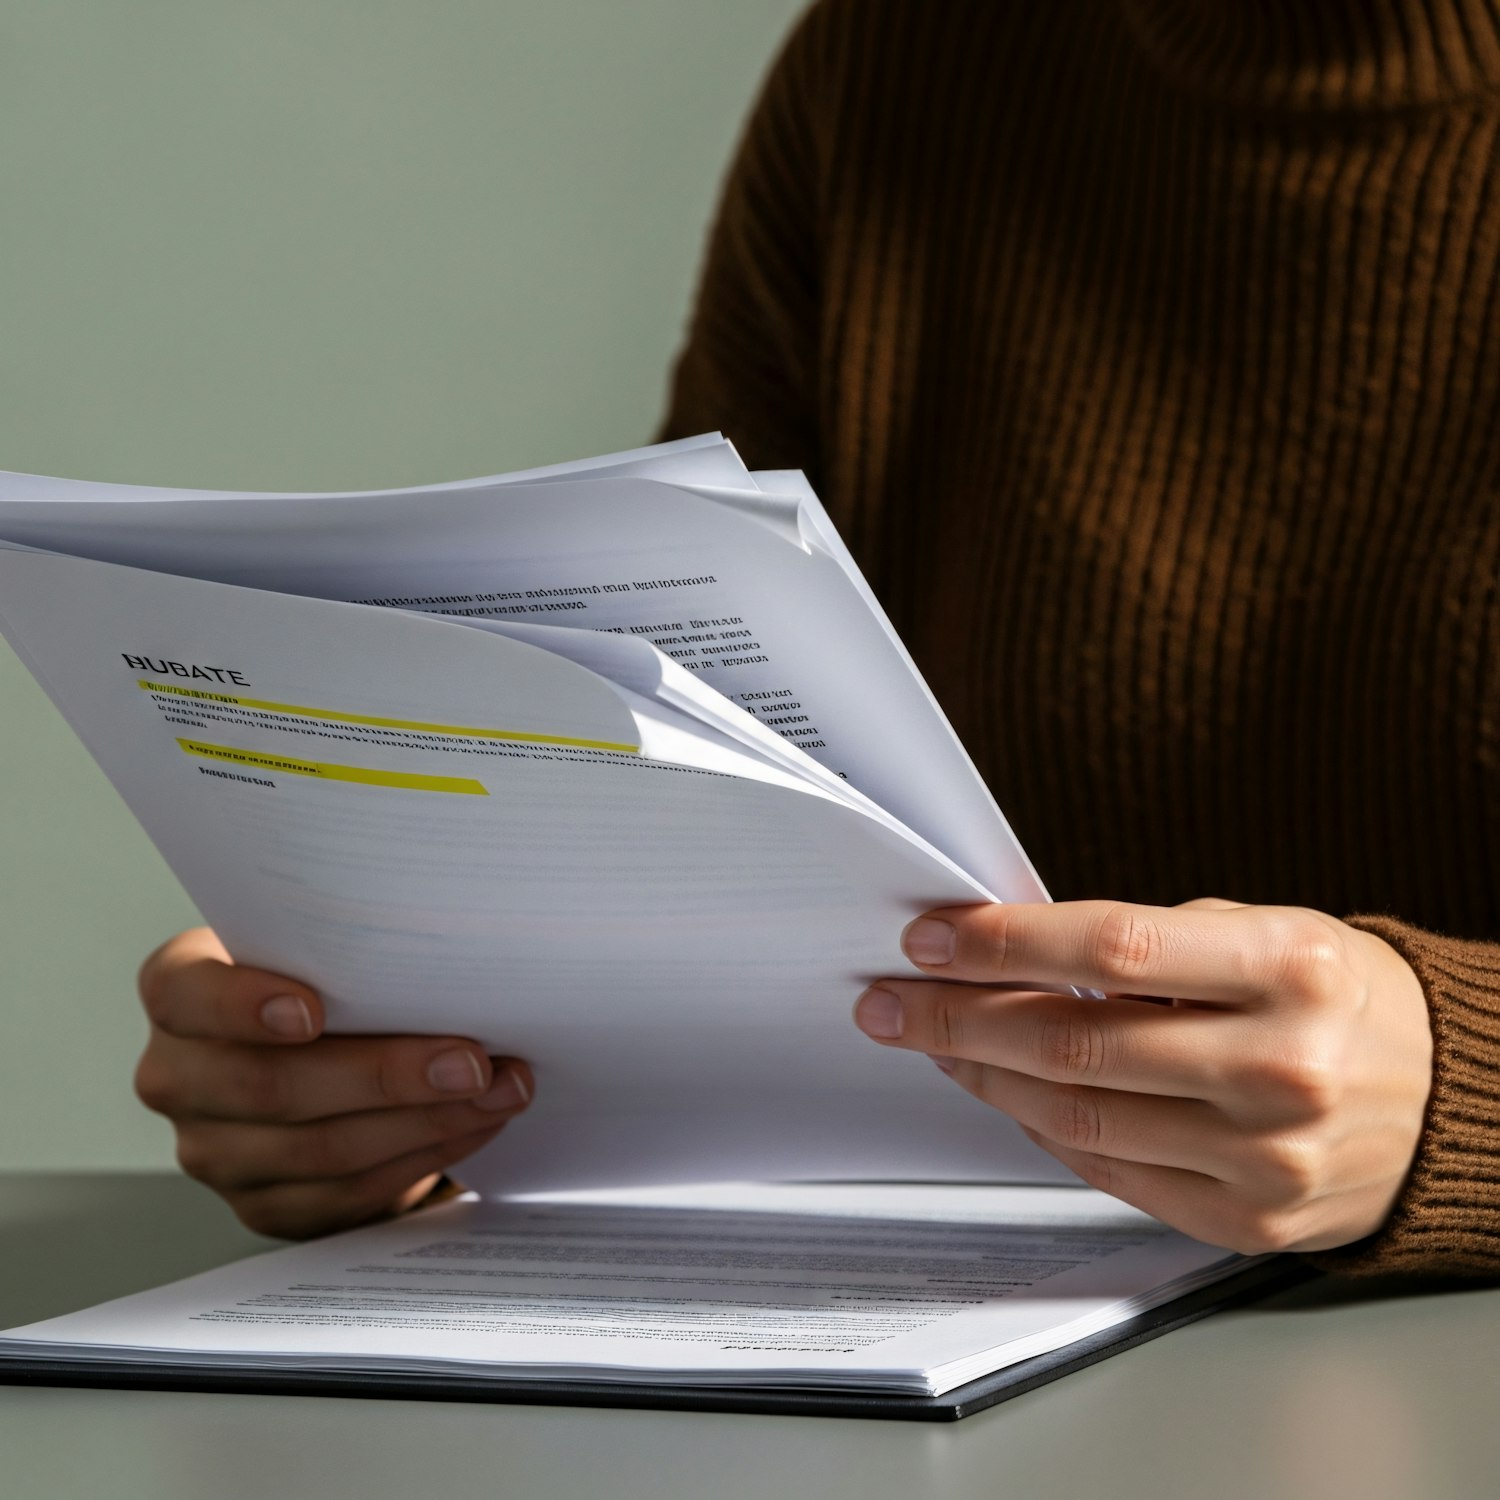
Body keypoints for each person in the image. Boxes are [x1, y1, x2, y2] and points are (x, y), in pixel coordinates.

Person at [133, 0, 1500, 1274]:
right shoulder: (901, 62)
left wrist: (1464, 1092)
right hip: (935, 1323)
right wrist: (408, 1073)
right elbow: (678, 771)